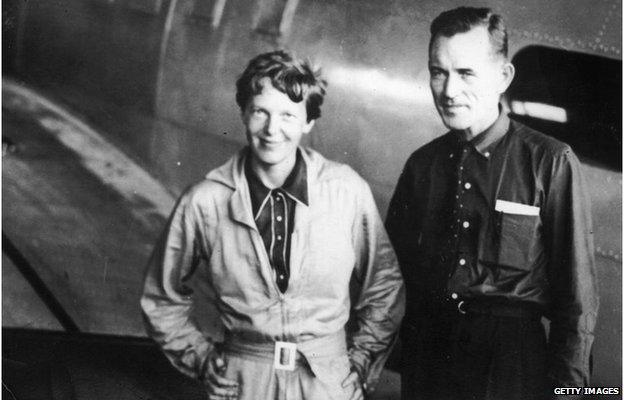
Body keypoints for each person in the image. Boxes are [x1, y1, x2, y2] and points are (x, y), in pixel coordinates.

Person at [141, 50, 405, 400]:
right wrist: (202, 359)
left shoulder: (346, 191)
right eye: (260, 111)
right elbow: (160, 297)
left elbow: (385, 285)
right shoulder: (206, 200)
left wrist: (358, 363)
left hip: (326, 382)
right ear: (243, 113)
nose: (271, 129)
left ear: (308, 122)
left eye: (287, 115)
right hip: (242, 381)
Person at [386, 7, 598, 400]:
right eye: (438, 71)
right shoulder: (422, 166)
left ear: (503, 77)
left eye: (466, 73)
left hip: (509, 367)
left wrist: (568, 393)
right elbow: (389, 280)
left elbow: (577, 304)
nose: (448, 91)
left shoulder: (549, 162)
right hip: (427, 363)